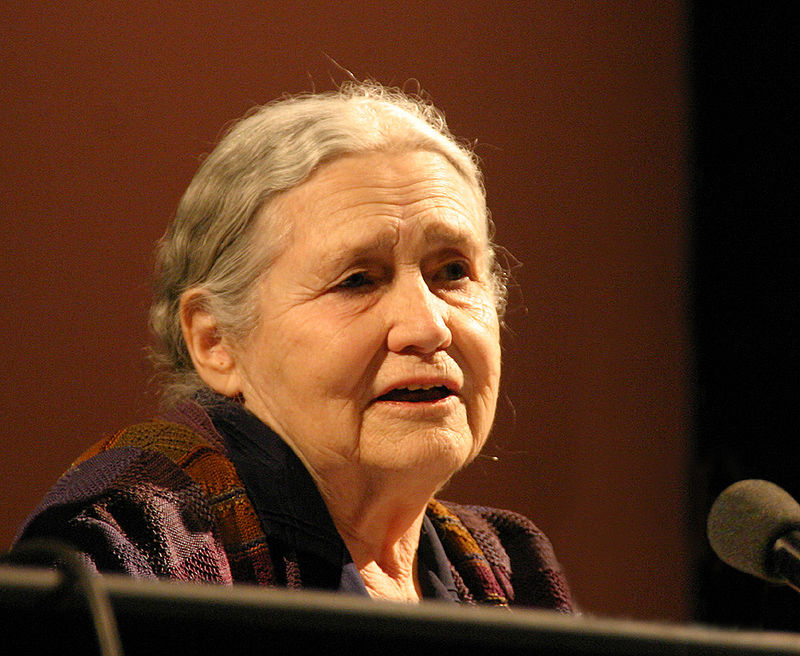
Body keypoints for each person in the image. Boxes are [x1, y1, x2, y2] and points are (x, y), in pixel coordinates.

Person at [15, 82, 573, 610]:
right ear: (216, 342)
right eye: (358, 280)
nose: (428, 327)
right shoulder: (135, 542)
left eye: (452, 272)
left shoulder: (508, 567)